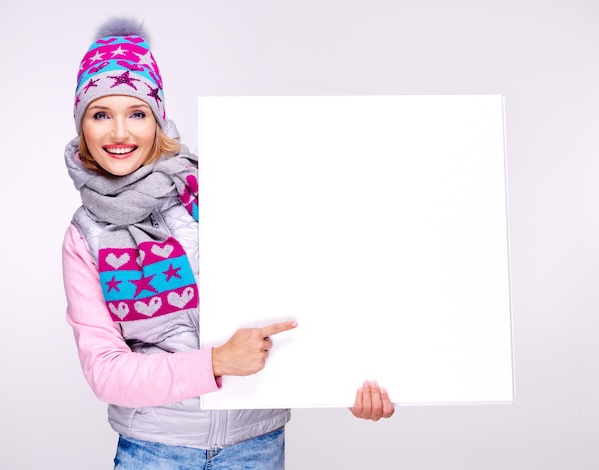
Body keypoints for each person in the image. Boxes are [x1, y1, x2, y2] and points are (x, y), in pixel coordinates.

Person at [62, 17, 394, 469]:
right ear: (82, 126)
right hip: (153, 451)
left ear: (158, 118)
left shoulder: (226, 191)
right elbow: (106, 372)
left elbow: (316, 284)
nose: (120, 133)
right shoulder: (84, 236)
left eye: (137, 113)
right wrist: (215, 362)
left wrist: (349, 380)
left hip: (254, 445)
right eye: (101, 114)